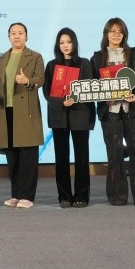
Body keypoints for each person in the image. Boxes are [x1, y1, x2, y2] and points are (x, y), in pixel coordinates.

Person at [91, 18, 135, 207]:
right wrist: (104, 97)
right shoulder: (97, 58)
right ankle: (117, 195)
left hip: (132, 110)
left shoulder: (133, 55)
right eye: (112, 31)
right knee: (114, 153)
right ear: (106, 34)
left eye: (120, 31)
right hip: (109, 111)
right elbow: (92, 85)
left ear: (125, 34)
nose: (116, 34)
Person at [43, 28, 95, 207]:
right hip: (59, 116)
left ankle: (82, 196)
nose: (65, 45)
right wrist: (61, 102)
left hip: (81, 115)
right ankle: (64, 196)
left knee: (82, 158)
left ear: (75, 43)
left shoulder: (84, 63)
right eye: (62, 42)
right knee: (61, 158)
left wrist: (75, 98)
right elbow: (46, 91)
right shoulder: (51, 65)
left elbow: (89, 88)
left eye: (69, 41)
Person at [0, 22, 45, 209]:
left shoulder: (35, 57)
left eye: (20, 33)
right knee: (13, 157)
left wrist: (27, 81)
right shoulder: (2, 58)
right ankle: (16, 194)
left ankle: (27, 196)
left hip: (26, 111)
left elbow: (40, 79)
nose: (17, 36)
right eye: (13, 33)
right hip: (6, 111)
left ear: (26, 36)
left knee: (27, 156)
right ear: (9, 36)